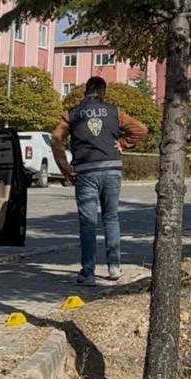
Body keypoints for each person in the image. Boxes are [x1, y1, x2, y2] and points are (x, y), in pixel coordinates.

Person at [50, 77, 147, 286]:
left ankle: (88, 273)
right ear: (103, 91)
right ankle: (114, 267)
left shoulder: (71, 114)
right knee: (111, 218)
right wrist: (123, 143)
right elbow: (141, 129)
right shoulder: (114, 112)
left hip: (85, 171)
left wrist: (66, 169)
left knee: (88, 224)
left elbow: (56, 140)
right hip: (112, 169)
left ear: (85, 91)